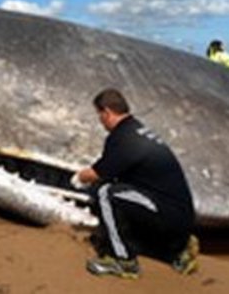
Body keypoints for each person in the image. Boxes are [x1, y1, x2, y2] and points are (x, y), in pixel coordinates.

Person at [71, 88, 199, 279]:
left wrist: (77, 178)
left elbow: (97, 173)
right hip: (179, 218)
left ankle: (123, 261)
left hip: (168, 217)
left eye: (99, 115)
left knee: (106, 193)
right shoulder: (137, 130)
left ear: (106, 112)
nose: (100, 120)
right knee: (116, 193)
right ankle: (178, 249)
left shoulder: (124, 138)